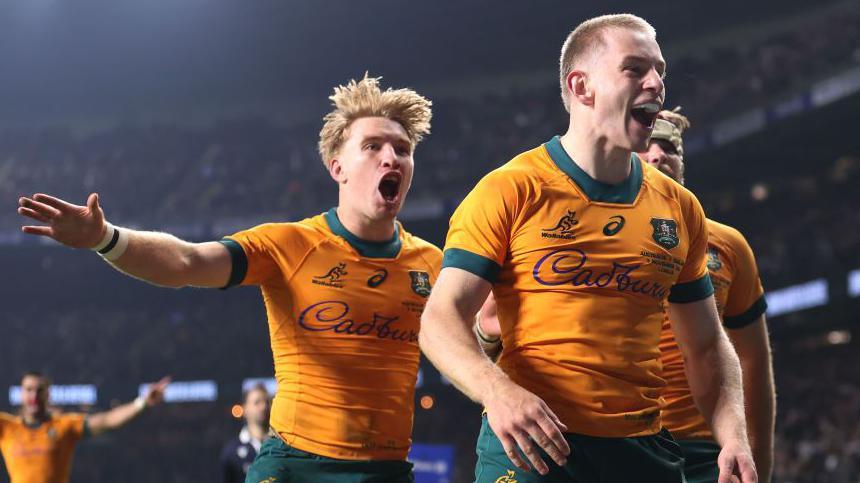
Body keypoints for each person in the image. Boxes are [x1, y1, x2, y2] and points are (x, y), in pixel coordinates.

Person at [17, 74, 440, 482]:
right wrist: (104, 237)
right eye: (372, 146)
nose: (391, 158)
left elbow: (477, 343)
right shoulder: (288, 243)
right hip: (295, 464)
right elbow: (186, 262)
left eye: (403, 149)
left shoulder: (434, 265)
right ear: (337, 168)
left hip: (385, 469)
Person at [418, 14, 757, 483]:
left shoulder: (679, 209)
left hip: (643, 451)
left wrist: (734, 433)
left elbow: (705, 345)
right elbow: (439, 321)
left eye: (660, 70)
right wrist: (498, 392)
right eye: (635, 69)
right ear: (582, 87)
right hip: (531, 447)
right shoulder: (510, 189)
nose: (657, 83)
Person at [643, 110, 775, 482]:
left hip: (709, 451)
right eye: (647, 146)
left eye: (669, 147)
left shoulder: (728, 246)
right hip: (628, 441)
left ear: (682, 161)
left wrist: (759, 468)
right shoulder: (602, 235)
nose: (657, 155)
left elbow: (754, 363)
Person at [0, 372, 168, 483]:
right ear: (21, 393)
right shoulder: (6, 427)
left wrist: (143, 402)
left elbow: (107, 420)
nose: (34, 395)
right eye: (29, 390)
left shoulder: (64, 426)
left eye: (39, 390)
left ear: (48, 394)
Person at [220, 383, 271, 483]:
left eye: (266, 402)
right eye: (257, 402)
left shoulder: (281, 445)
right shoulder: (231, 452)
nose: (263, 407)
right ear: (245, 408)